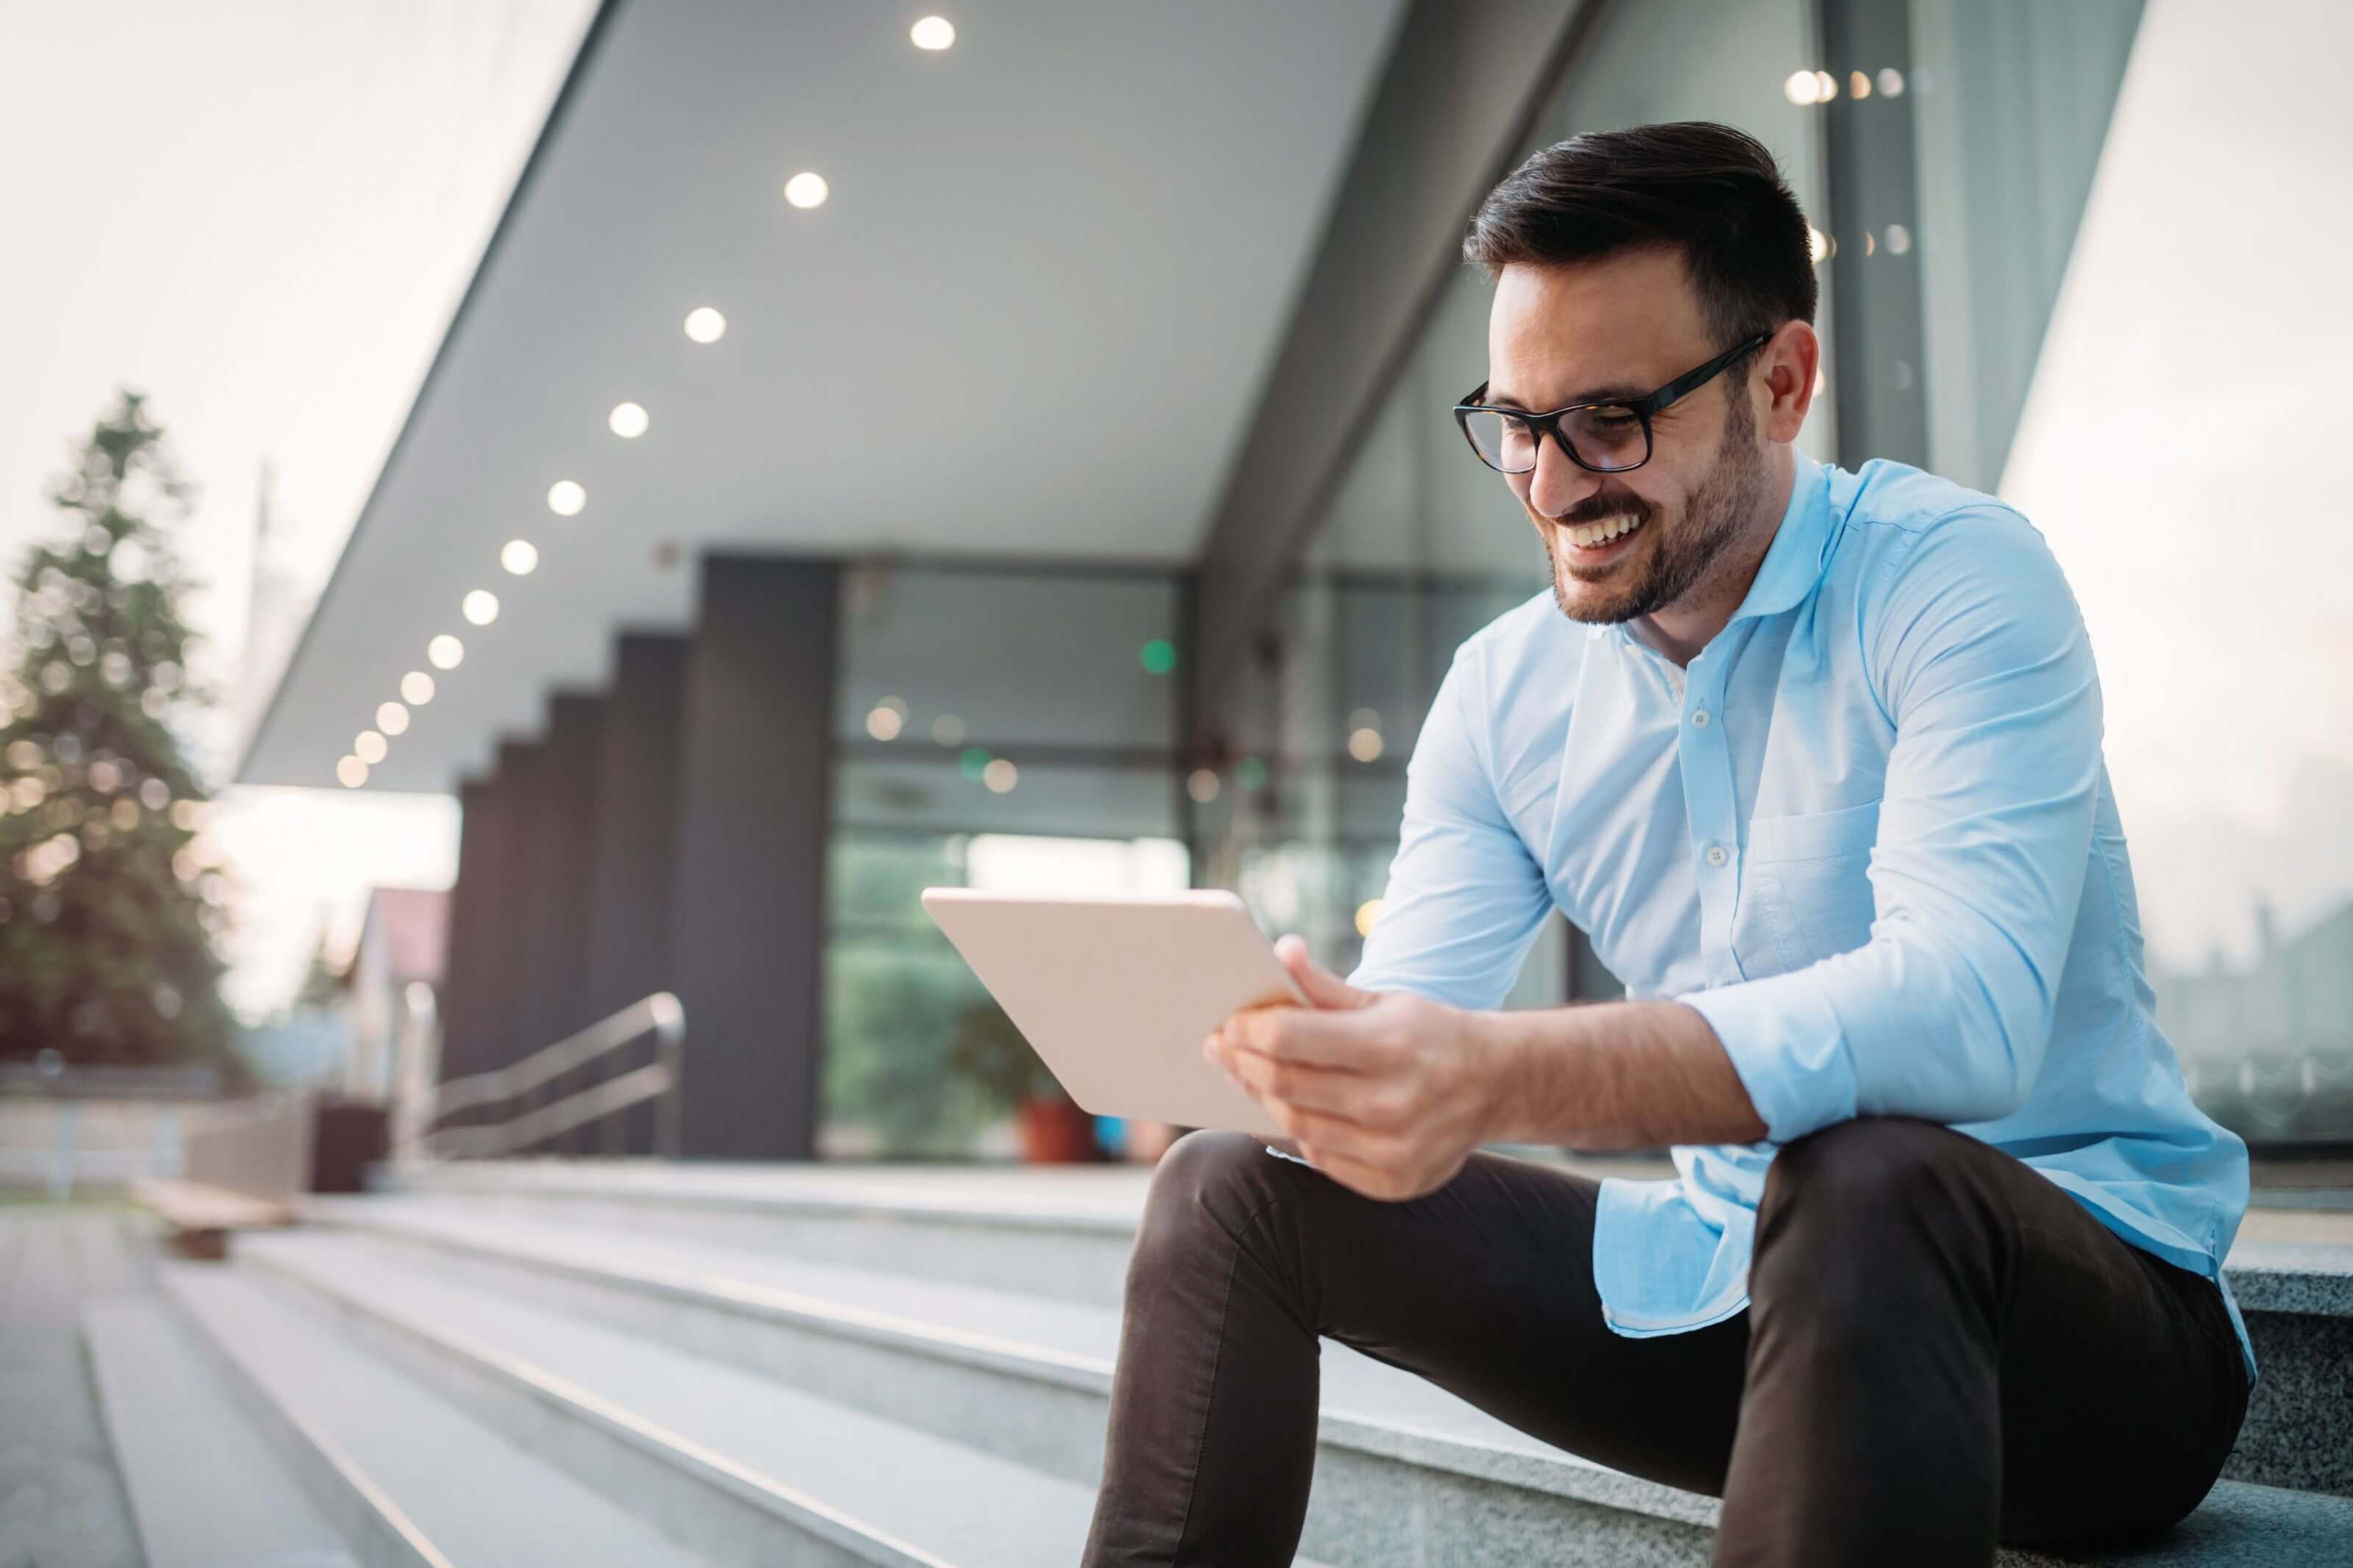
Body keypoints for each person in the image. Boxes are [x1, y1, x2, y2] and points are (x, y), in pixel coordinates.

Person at [1081, 121, 2253, 1568]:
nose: (1553, 483)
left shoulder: (1952, 576)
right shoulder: (1505, 695)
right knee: (1228, 1187)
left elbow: (1964, 1012)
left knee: (1867, 1168)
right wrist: (1301, 1066)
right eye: (1517, 421)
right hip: (1728, 1292)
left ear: (1780, 382)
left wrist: (1497, 1068)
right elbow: (1413, 1034)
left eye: (1612, 419)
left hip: (2089, 1335)